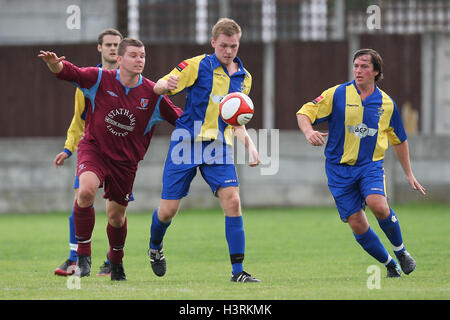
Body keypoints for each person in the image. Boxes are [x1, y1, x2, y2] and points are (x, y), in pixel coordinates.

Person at [38, 37, 183, 281]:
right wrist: (54, 64)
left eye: (143, 56)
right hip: (94, 149)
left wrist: (215, 125)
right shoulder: (100, 79)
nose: (140, 60)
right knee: (85, 191)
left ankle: (116, 261)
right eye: (134, 55)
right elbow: (68, 72)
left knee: (116, 218)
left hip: (125, 163)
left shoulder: (153, 93)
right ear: (120, 59)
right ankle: (83, 256)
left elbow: (182, 119)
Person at [149, 18, 261, 283]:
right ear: (213, 43)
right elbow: (157, 85)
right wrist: (165, 86)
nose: (229, 51)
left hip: (219, 147)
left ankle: (238, 272)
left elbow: (237, 121)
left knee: (233, 201)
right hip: (186, 144)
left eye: (233, 46)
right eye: (223, 45)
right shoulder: (197, 65)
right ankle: (155, 247)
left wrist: (251, 147)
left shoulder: (244, 78)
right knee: (168, 211)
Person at [296, 48, 426, 277]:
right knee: (356, 222)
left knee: (378, 205)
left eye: (364, 66)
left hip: (370, 166)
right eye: (356, 66)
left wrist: (409, 174)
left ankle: (401, 251)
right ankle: (390, 265)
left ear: (376, 71)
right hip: (338, 169)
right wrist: (308, 132)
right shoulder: (337, 94)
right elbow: (304, 112)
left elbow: (400, 140)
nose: (358, 70)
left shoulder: (386, 104)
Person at [53, 28, 126, 277]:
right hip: (92, 151)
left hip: (119, 155)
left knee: (114, 213)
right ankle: (76, 259)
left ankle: (113, 261)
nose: (113, 48)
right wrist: (68, 148)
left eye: (117, 44)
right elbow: (79, 121)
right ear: (99, 48)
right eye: (109, 44)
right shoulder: (88, 80)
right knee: (81, 196)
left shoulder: (131, 80)